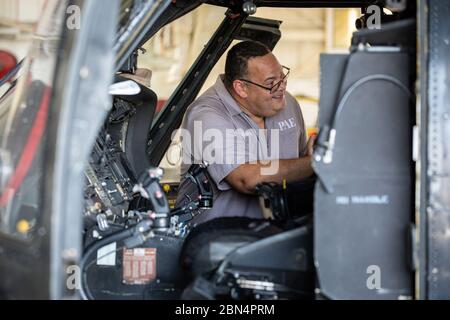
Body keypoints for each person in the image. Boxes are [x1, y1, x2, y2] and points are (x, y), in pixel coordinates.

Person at [175, 40, 315, 225]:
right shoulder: (206, 115)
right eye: (271, 83)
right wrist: (318, 162)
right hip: (217, 239)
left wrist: (313, 154)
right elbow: (246, 179)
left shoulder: (287, 103)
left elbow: (298, 165)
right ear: (241, 88)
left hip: (276, 234)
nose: (282, 87)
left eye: (283, 77)